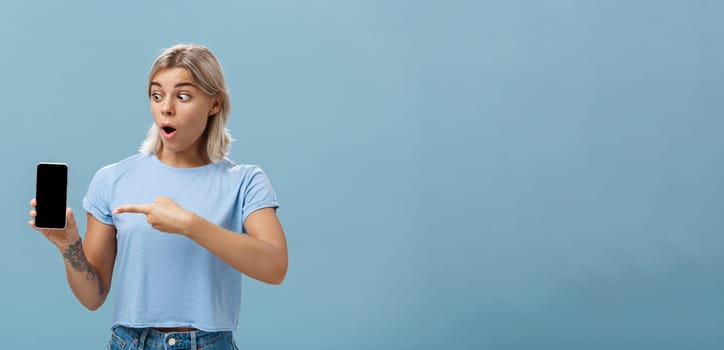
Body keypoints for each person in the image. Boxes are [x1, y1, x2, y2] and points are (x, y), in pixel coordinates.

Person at [29, 43, 288, 349]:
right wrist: (69, 247)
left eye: (183, 96)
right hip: (130, 342)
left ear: (215, 103)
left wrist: (189, 224)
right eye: (156, 95)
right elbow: (93, 296)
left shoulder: (245, 182)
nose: (166, 108)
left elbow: (274, 267)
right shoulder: (112, 179)